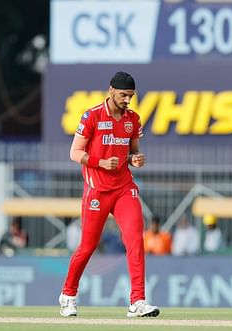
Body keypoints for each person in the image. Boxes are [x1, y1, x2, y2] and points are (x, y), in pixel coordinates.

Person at [59, 72, 159, 318]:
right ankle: (68, 295)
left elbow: (132, 153)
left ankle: (137, 301)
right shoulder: (92, 116)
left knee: (135, 239)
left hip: (124, 188)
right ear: (111, 90)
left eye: (131, 96)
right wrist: (100, 163)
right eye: (124, 95)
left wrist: (135, 159)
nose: (127, 100)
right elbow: (74, 152)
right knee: (88, 246)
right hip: (97, 190)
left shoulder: (132, 119)